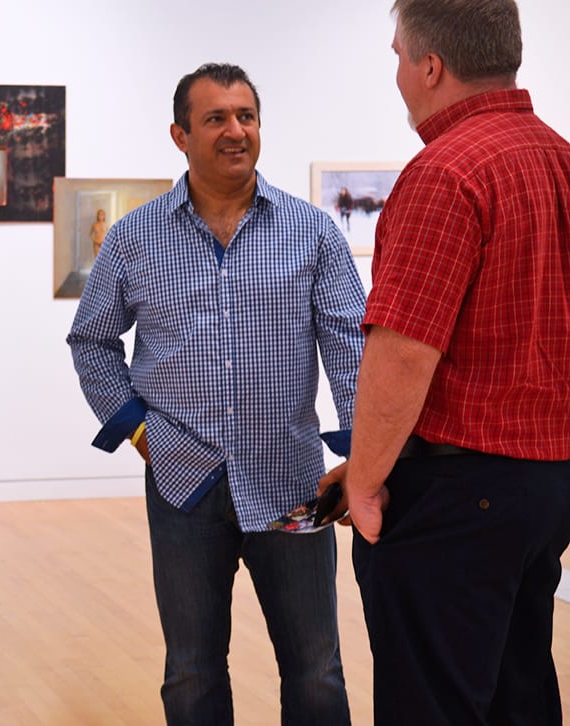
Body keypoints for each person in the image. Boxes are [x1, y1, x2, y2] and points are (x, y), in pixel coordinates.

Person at [66, 63, 365, 725]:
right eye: (215, 119)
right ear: (179, 134)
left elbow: (351, 350)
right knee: (192, 672)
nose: (235, 131)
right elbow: (91, 341)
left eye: (245, 116)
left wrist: (361, 458)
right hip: (183, 489)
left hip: (292, 484)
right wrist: (139, 431)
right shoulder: (132, 238)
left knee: (316, 672)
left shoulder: (312, 232)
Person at [327, 1, 570, 722]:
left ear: (430, 66)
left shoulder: (444, 172)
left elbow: (403, 354)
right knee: (518, 690)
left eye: (399, 56)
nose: (399, 74)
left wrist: (365, 482)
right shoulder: (559, 158)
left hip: (457, 495)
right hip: (546, 487)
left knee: (429, 702)